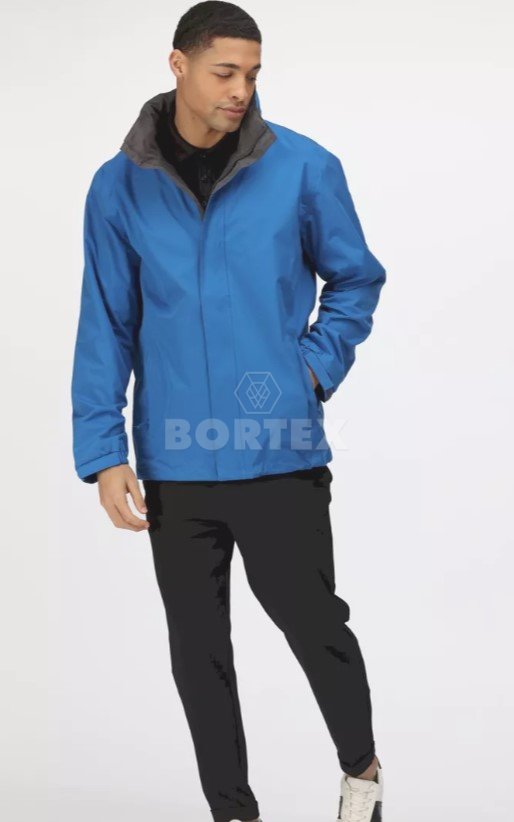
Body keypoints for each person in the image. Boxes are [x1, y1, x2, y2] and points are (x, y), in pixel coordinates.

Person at [70, 3, 387, 820]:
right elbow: (106, 323)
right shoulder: (118, 186)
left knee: (315, 625)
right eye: (225, 72)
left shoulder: (303, 167)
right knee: (199, 653)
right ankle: (232, 812)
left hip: (279, 451)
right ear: (178, 65)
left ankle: (362, 778)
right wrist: (104, 452)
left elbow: (356, 279)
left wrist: (308, 372)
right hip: (175, 463)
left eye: (252, 73)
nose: (241, 89)